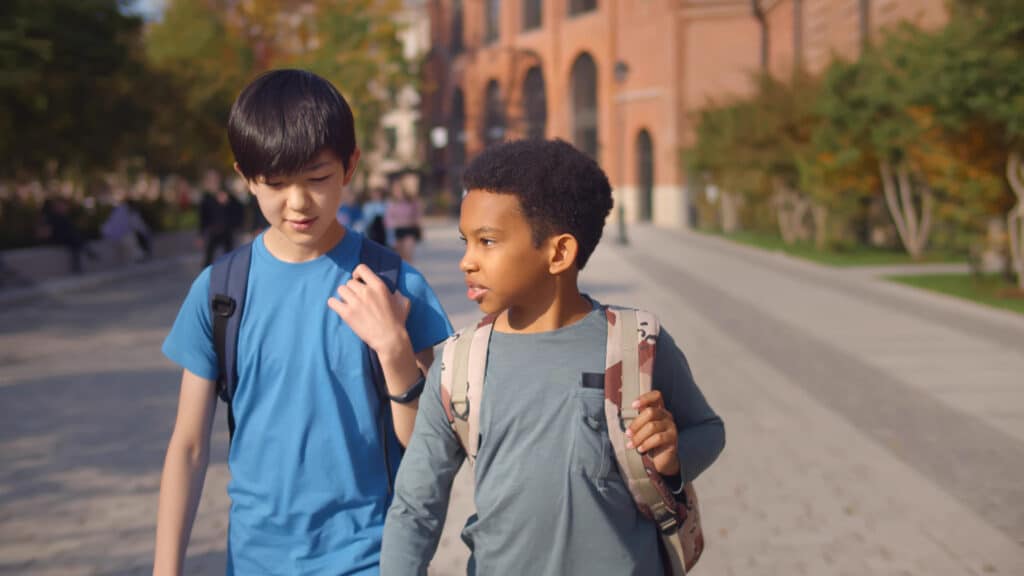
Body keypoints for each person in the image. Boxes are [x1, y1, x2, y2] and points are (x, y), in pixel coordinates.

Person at [153, 69, 453, 576]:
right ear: (246, 176)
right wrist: (166, 569)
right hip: (254, 560)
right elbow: (188, 447)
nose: (298, 201)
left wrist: (396, 353)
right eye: (275, 182)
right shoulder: (220, 292)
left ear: (350, 166)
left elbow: (432, 447)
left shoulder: (394, 284)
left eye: (317, 178)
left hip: (372, 557)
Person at [380, 139, 725, 575]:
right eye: (466, 241)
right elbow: (415, 508)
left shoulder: (636, 344)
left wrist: (673, 459)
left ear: (559, 252)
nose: (467, 261)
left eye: (487, 242)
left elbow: (709, 430)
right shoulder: (458, 364)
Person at [198, 169, 244, 266]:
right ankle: (206, 276)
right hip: (213, 232)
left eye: (214, 180)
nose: (212, 183)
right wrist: (201, 235)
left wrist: (228, 203)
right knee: (208, 257)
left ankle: (229, 273)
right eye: (210, 180)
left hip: (227, 230)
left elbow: (239, 209)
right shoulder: (206, 198)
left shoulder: (227, 195)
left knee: (229, 256)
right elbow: (203, 218)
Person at [384, 185, 422, 262]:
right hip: (397, 230)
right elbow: (388, 219)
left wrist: (412, 222)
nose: (397, 193)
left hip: (409, 230)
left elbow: (417, 215)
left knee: (408, 254)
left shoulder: (411, 202)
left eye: (399, 190)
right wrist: (397, 222)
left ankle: (409, 272)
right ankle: (402, 273)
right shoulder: (392, 203)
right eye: (395, 191)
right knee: (400, 256)